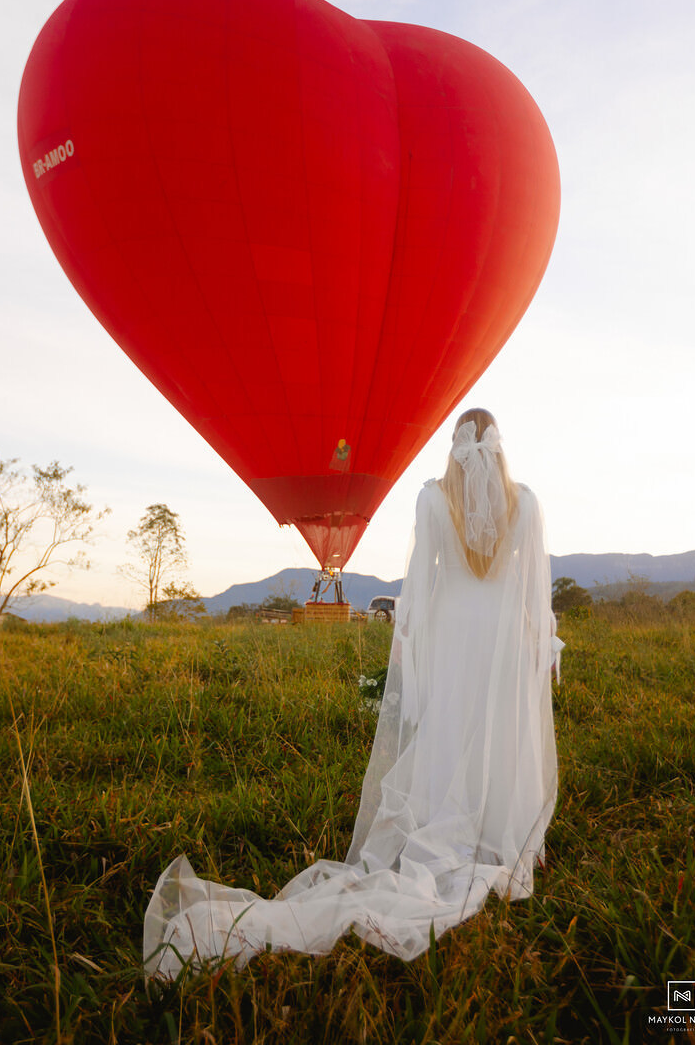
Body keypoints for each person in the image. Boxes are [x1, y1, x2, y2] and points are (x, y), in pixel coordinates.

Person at [144, 408, 564, 977]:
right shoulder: (529, 503)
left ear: (455, 445)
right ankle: (498, 830)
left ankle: (445, 819)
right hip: (504, 634)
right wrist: (541, 645)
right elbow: (536, 594)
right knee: (497, 726)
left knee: (446, 726)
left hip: (452, 630)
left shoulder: (432, 498)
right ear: (500, 445)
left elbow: (415, 589)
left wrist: (410, 654)